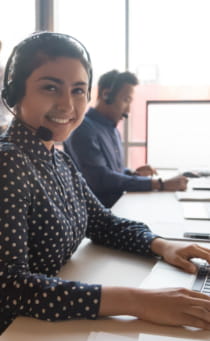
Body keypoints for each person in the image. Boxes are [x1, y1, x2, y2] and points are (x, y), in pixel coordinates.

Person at [0, 31, 210, 334]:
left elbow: (101, 222)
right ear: (14, 94)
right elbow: (11, 287)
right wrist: (139, 302)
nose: (67, 105)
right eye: (50, 88)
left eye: (77, 90)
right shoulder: (8, 163)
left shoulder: (56, 159)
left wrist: (162, 245)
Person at [64, 70, 188, 207]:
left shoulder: (112, 129)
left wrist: (134, 174)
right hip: (100, 216)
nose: (128, 110)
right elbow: (101, 179)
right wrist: (159, 184)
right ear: (106, 95)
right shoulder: (83, 129)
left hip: (118, 206)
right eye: (126, 100)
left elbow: (115, 172)